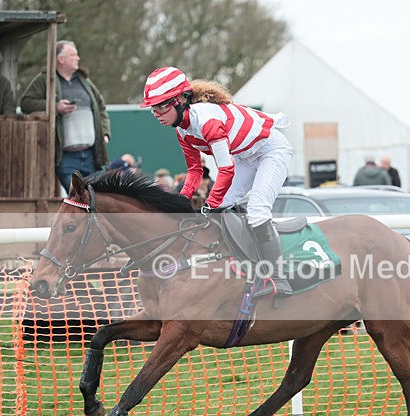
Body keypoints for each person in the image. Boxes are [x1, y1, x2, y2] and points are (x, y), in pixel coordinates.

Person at [142, 66, 294, 296]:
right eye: (153, 109)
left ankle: (278, 279)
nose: (157, 114)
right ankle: (245, 266)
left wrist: (209, 205)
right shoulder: (182, 130)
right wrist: (180, 203)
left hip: (272, 151)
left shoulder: (207, 121)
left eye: (162, 106)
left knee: (257, 210)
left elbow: (226, 169)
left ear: (181, 100)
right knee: (222, 207)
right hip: (245, 156)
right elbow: (194, 170)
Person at [20, 40, 110, 192]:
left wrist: (105, 134)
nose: (78, 58)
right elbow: (26, 103)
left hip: (91, 155)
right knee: (78, 199)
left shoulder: (84, 81)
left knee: (100, 199)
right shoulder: (45, 80)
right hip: (66, 157)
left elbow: (101, 108)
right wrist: (54, 107)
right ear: (61, 59)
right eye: (73, 55)